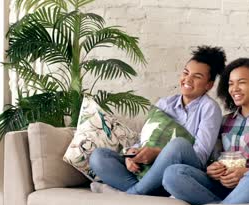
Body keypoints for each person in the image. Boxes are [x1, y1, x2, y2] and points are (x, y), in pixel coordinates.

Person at [89, 46, 226, 195]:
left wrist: (157, 153)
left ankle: (133, 194)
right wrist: (131, 154)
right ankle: (146, 192)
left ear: (209, 85)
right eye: (186, 73)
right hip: (148, 171)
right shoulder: (164, 104)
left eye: (197, 77)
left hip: (180, 173)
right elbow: (144, 141)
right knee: (99, 156)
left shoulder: (209, 108)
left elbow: (200, 157)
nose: (188, 79)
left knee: (179, 145)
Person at [162, 58, 249, 205]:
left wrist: (245, 172)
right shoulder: (224, 121)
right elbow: (212, 160)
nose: (234, 89)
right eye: (230, 84)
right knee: (173, 173)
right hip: (220, 186)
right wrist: (212, 169)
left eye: (241, 82)